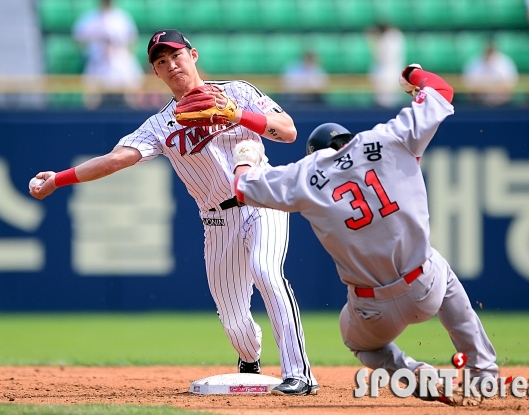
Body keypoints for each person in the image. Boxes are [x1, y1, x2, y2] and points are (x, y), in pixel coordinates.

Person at [29, 29, 318, 396]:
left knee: (266, 271)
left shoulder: (238, 92)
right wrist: (58, 179)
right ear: (156, 73)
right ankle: (250, 359)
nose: (171, 65)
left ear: (193, 55)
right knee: (233, 320)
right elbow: (117, 160)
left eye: (176, 56)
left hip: (262, 199)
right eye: (161, 62)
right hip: (216, 219)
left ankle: (300, 374)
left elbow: (288, 132)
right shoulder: (160, 125)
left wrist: (239, 115)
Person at [232, 64, 499, 406]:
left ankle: (412, 372)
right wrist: (413, 75)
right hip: (424, 284)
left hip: (372, 309)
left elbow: (241, 189)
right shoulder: (388, 138)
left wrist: (245, 158)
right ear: (346, 139)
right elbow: (442, 92)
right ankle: (482, 371)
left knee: (359, 342)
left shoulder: (306, 175)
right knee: (441, 270)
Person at [72, 0, 144, 109]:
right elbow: (78, 40)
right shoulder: (90, 18)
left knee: (133, 88)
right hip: (97, 61)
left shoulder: (121, 17)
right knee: (90, 95)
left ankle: (134, 117)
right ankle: (89, 120)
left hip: (120, 61)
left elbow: (132, 41)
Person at [462, 42, 519, 107]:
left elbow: (510, 84)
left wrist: (493, 89)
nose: (489, 54)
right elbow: (469, 84)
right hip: (479, 101)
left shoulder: (505, 62)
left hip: (501, 102)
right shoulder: (474, 62)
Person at [366, 23, 406, 108]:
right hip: (389, 74)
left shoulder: (390, 38)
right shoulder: (395, 36)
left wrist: (372, 41)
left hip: (386, 75)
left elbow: (381, 57)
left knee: (387, 105)